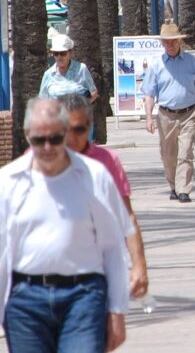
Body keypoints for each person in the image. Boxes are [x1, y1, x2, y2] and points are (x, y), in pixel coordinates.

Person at [0, 98, 132, 353]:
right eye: (39, 140)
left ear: (66, 133)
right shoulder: (6, 183)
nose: (48, 147)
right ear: (27, 135)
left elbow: (112, 247)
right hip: (25, 300)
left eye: (55, 138)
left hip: (84, 297)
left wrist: (117, 311)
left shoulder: (95, 176)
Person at [59, 94, 149, 300]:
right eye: (66, 130)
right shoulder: (41, 162)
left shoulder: (106, 161)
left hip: (97, 270)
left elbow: (127, 217)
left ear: (89, 125)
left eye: (79, 129)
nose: (72, 138)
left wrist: (139, 266)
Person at [140, 23, 195, 204]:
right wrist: (149, 118)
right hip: (166, 115)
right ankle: (173, 185)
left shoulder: (193, 62)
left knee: (186, 152)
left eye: (173, 42)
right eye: (166, 42)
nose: (170, 45)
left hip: (189, 112)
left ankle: (184, 190)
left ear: (179, 41)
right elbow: (149, 94)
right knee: (168, 154)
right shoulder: (157, 66)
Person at [39, 33, 98, 103]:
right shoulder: (48, 74)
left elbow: (94, 92)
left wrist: (84, 107)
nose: (59, 57)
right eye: (56, 53)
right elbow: (42, 99)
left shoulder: (81, 69)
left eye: (63, 53)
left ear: (70, 53)